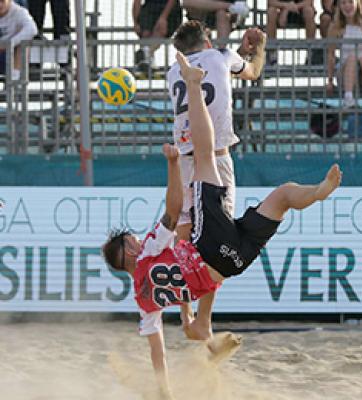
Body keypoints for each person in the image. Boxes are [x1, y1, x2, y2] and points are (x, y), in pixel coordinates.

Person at [102, 51, 342, 399]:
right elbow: (173, 210)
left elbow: (158, 351)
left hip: (232, 262)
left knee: (282, 197)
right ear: (128, 250)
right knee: (203, 153)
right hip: (212, 246)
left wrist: (164, 389)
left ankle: (204, 328)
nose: (139, 241)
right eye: (133, 240)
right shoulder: (149, 251)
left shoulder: (145, 304)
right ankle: (195, 86)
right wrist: (172, 164)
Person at [167, 20, 266, 339]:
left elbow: (215, 70)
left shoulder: (174, 71)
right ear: (208, 41)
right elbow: (251, 72)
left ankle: (186, 315)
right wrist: (258, 49)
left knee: (183, 238)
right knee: (216, 238)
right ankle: (204, 322)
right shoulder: (221, 56)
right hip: (216, 158)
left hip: (184, 159)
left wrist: (237, 51)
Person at [132, 0, 182, 69]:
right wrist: (136, 22)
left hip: (169, 9)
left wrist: (163, 17)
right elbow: (137, 2)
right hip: (150, 7)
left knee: (159, 31)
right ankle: (147, 57)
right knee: (145, 33)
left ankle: (146, 53)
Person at [266, 0, 317, 64]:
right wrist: (286, 7)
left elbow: (309, 2)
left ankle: (310, 51)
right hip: (281, 13)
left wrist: (293, 7)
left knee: (309, 11)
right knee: (271, 11)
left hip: (299, 11)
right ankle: (272, 52)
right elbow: (271, 2)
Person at [0, 0, 37, 80]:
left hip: (10, 56)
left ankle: (15, 83)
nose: (0, 5)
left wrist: (10, 43)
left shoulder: (19, 12)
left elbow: (32, 29)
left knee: (23, 45)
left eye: (2, 1)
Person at [182, 0, 250, 43]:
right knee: (188, 2)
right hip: (200, 14)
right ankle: (230, 6)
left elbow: (240, 10)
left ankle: (221, 51)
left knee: (221, 13)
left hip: (224, 17)